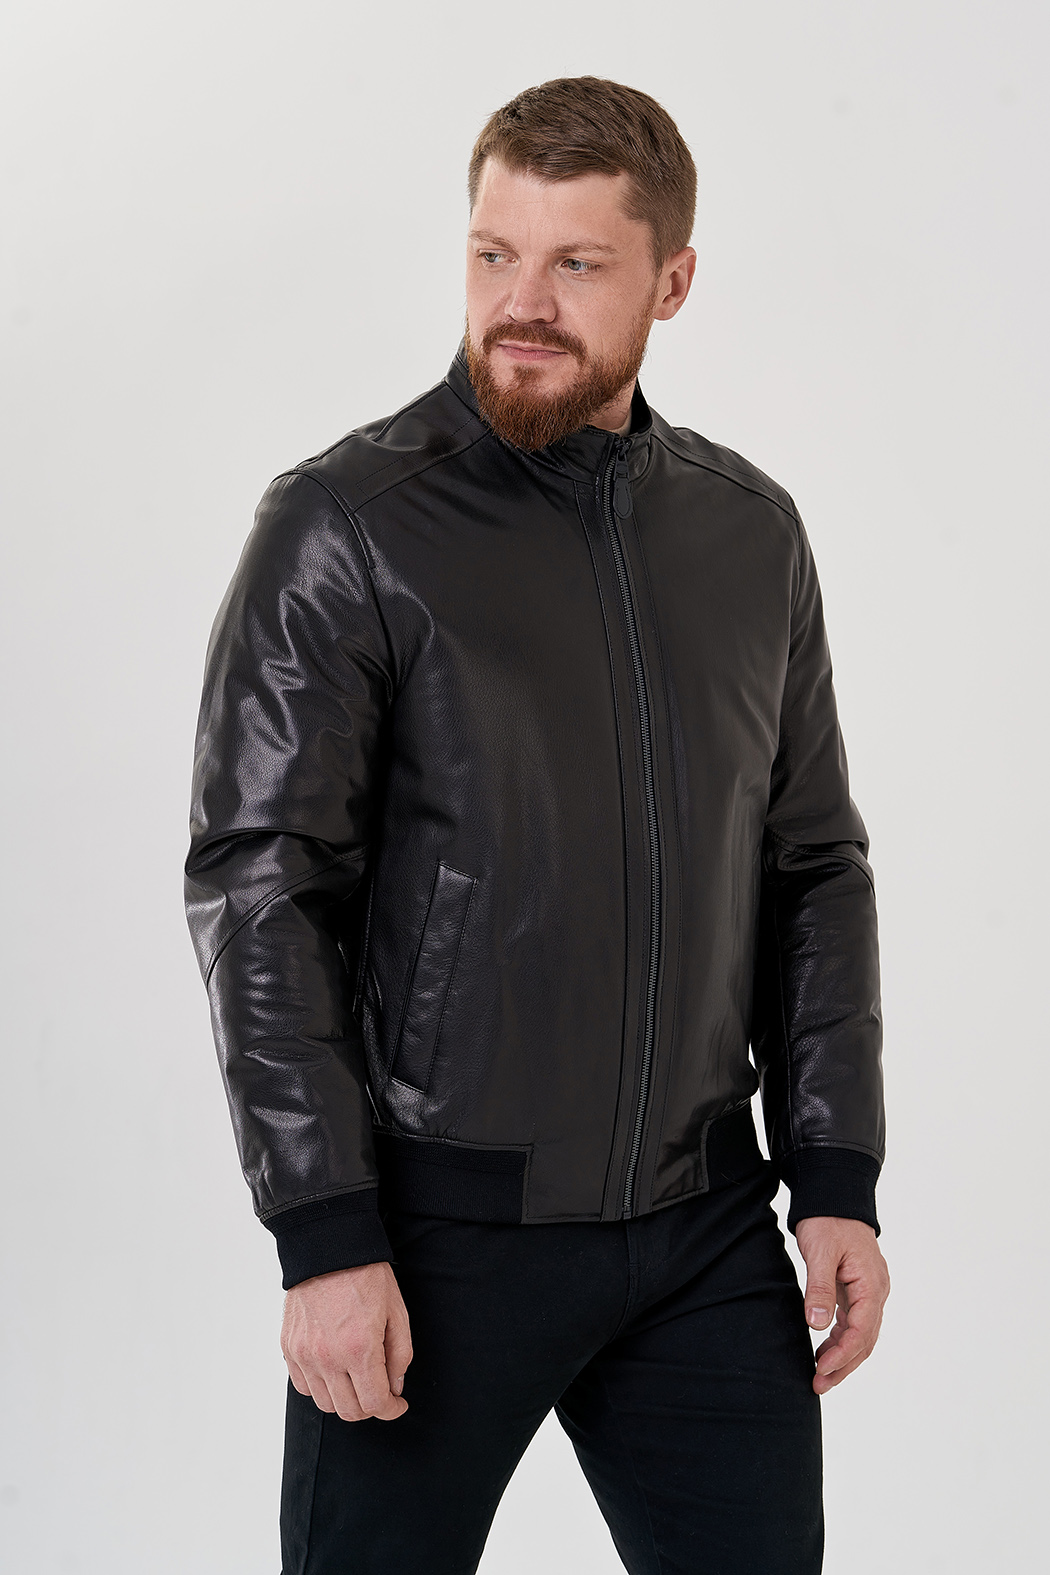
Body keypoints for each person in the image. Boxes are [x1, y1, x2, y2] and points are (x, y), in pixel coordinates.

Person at [185, 75, 889, 1575]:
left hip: (705, 1234)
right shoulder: (346, 526)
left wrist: (835, 1178)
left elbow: (812, 867)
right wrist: (324, 1231)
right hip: (435, 1240)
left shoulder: (747, 531)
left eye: (577, 263)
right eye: (494, 252)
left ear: (671, 281)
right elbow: (263, 888)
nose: (523, 302)